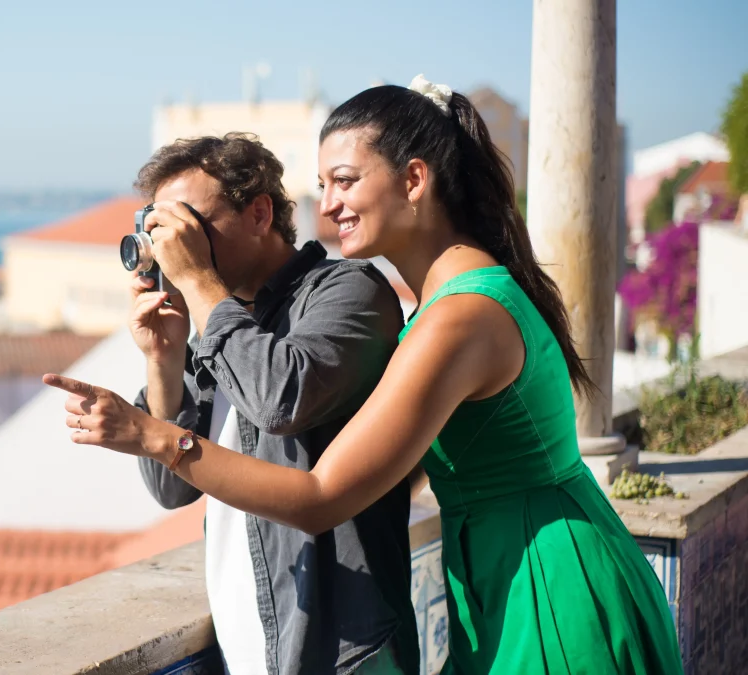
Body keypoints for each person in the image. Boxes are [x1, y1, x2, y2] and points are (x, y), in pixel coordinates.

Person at [45, 76, 683, 674]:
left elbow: (321, 495)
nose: (328, 207)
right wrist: (165, 356)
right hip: (505, 564)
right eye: (322, 186)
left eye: (345, 181)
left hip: (547, 577)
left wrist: (157, 430)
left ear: (413, 179)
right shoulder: (449, 299)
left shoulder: (459, 314)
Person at [121, 133, 419, 675]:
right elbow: (172, 486)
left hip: (344, 652)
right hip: (251, 642)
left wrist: (196, 283)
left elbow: (280, 402)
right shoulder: (219, 324)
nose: (175, 247)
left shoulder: (348, 291)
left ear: (260, 214)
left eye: (188, 225)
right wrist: (164, 361)